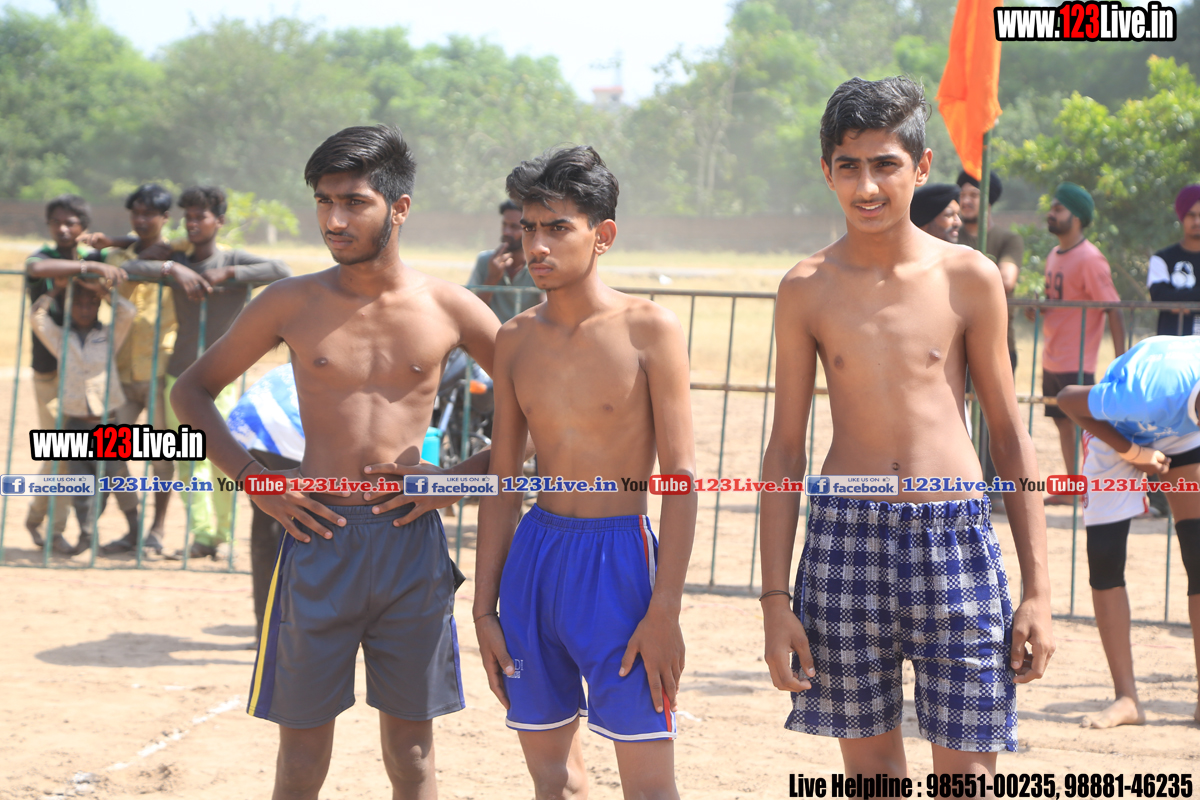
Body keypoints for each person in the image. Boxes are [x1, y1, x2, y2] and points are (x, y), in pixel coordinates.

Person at [170, 124, 499, 800]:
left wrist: (458, 481)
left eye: (354, 202)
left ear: (399, 208)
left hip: (410, 543)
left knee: (412, 754)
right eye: (324, 201)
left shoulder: (452, 308)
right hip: (316, 537)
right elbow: (190, 392)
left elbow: (543, 414)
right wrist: (256, 481)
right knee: (299, 758)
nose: (334, 220)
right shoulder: (290, 302)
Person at [759, 77, 1054, 778]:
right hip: (845, 540)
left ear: (920, 168)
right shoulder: (805, 287)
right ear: (826, 171)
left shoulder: (969, 277)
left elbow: (1010, 436)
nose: (867, 186)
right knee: (872, 778)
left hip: (954, 536)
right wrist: (774, 601)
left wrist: (1040, 592)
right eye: (849, 166)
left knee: (968, 777)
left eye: (885, 164)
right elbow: (785, 448)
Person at [473, 146, 696, 800]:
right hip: (533, 562)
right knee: (553, 782)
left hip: (621, 567)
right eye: (528, 228)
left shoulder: (649, 329)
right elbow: (503, 484)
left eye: (557, 227)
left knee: (649, 787)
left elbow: (681, 479)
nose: (537, 245)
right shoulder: (514, 338)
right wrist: (483, 609)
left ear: (603, 235)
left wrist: (665, 609)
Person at [123, 186, 292, 559]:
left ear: (220, 221)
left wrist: (228, 274)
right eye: (188, 217)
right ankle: (202, 536)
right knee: (189, 459)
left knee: (225, 460)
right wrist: (173, 268)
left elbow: (281, 270)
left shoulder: (232, 259)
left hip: (223, 376)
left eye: (201, 216)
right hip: (182, 375)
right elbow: (130, 267)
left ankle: (223, 537)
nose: (193, 223)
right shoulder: (178, 258)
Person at [1056, 335, 1200, 727]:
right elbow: (1067, 399)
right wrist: (1133, 452)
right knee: (1104, 557)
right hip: (1116, 427)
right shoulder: (1147, 392)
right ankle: (1127, 699)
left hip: (1183, 431)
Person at [23, 195, 126, 549]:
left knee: (66, 456)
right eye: (57, 222)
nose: (63, 229)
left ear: (84, 226)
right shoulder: (44, 256)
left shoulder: (93, 256)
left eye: (71, 223)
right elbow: (36, 270)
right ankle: (51, 530)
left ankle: (39, 521)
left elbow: (134, 252)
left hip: (88, 371)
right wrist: (86, 268)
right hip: (49, 369)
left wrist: (104, 249)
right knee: (60, 455)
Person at [28, 276, 138, 555]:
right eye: (78, 304)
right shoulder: (60, 338)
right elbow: (36, 317)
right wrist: (57, 289)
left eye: (91, 304)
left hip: (107, 423)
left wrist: (102, 291)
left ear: (99, 306)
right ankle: (87, 535)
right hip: (75, 424)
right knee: (80, 486)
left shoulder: (109, 336)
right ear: (69, 306)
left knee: (117, 477)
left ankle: (135, 530)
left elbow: (128, 312)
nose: (85, 309)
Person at [99, 183, 180, 556]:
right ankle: (132, 527)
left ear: (165, 218)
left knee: (162, 456)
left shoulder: (180, 253)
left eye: (150, 214)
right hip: (121, 370)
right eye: (137, 213)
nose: (142, 219)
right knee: (109, 452)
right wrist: (140, 253)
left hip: (160, 370)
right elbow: (108, 284)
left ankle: (157, 530)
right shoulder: (117, 258)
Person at [1039, 182, 1126, 487]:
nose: (1051, 213)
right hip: (1052, 356)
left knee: (1084, 428)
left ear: (1076, 217)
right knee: (1062, 424)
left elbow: (1113, 308)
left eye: (1058, 209)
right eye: (1052, 208)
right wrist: (1039, 309)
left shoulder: (1090, 258)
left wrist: (1121, 361)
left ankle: (1096, 490)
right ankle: (1074, 486)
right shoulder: (1054, 254)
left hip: (1076, 360)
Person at [226, 363, 304, 636]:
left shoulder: (302, 359)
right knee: (308, 529)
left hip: (246, 424)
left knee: (267, 528)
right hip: (288, 429)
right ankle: (290, 630)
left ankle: (266, 629)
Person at [957, 170, 1022, 371]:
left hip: (998, 345)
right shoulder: (950, 237)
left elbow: (1006, 281)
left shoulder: (1008, 240)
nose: (965, 201)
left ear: (989, 201)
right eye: (962, 195)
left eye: (974, 195)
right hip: (955, 347)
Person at [467, 198, 542, 322]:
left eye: (514, 227)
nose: (506, 232)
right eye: (504, 225)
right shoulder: (485, 261)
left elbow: (549, 312)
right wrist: (492, 278)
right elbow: (470, 312)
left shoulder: (540, 264)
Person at [1147, 184, 1200, 336]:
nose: (1197, 221)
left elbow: (1169, 298)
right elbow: (1160, 298)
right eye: (1191, 215)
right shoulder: (1162, 258)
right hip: (1173, 346)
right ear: (1182, 216)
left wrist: (1181, 300)